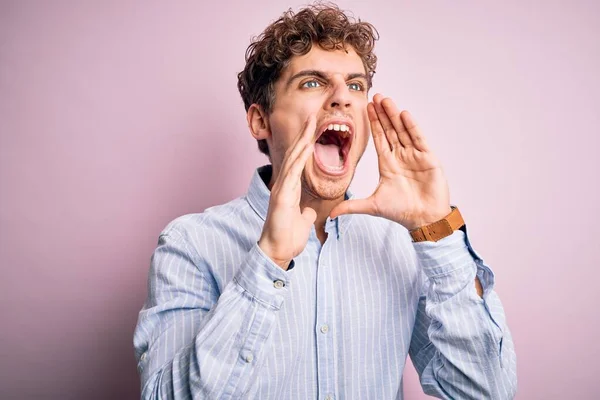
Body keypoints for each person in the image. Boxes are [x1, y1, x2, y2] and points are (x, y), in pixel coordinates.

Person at [133, 3, 517, 399]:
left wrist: (436, 230)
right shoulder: (191, 244)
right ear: (259, 121)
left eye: (355, 85)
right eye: (313, 83)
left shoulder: (401, 245)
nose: (342, 98)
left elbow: (485, 392)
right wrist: (268, 262)